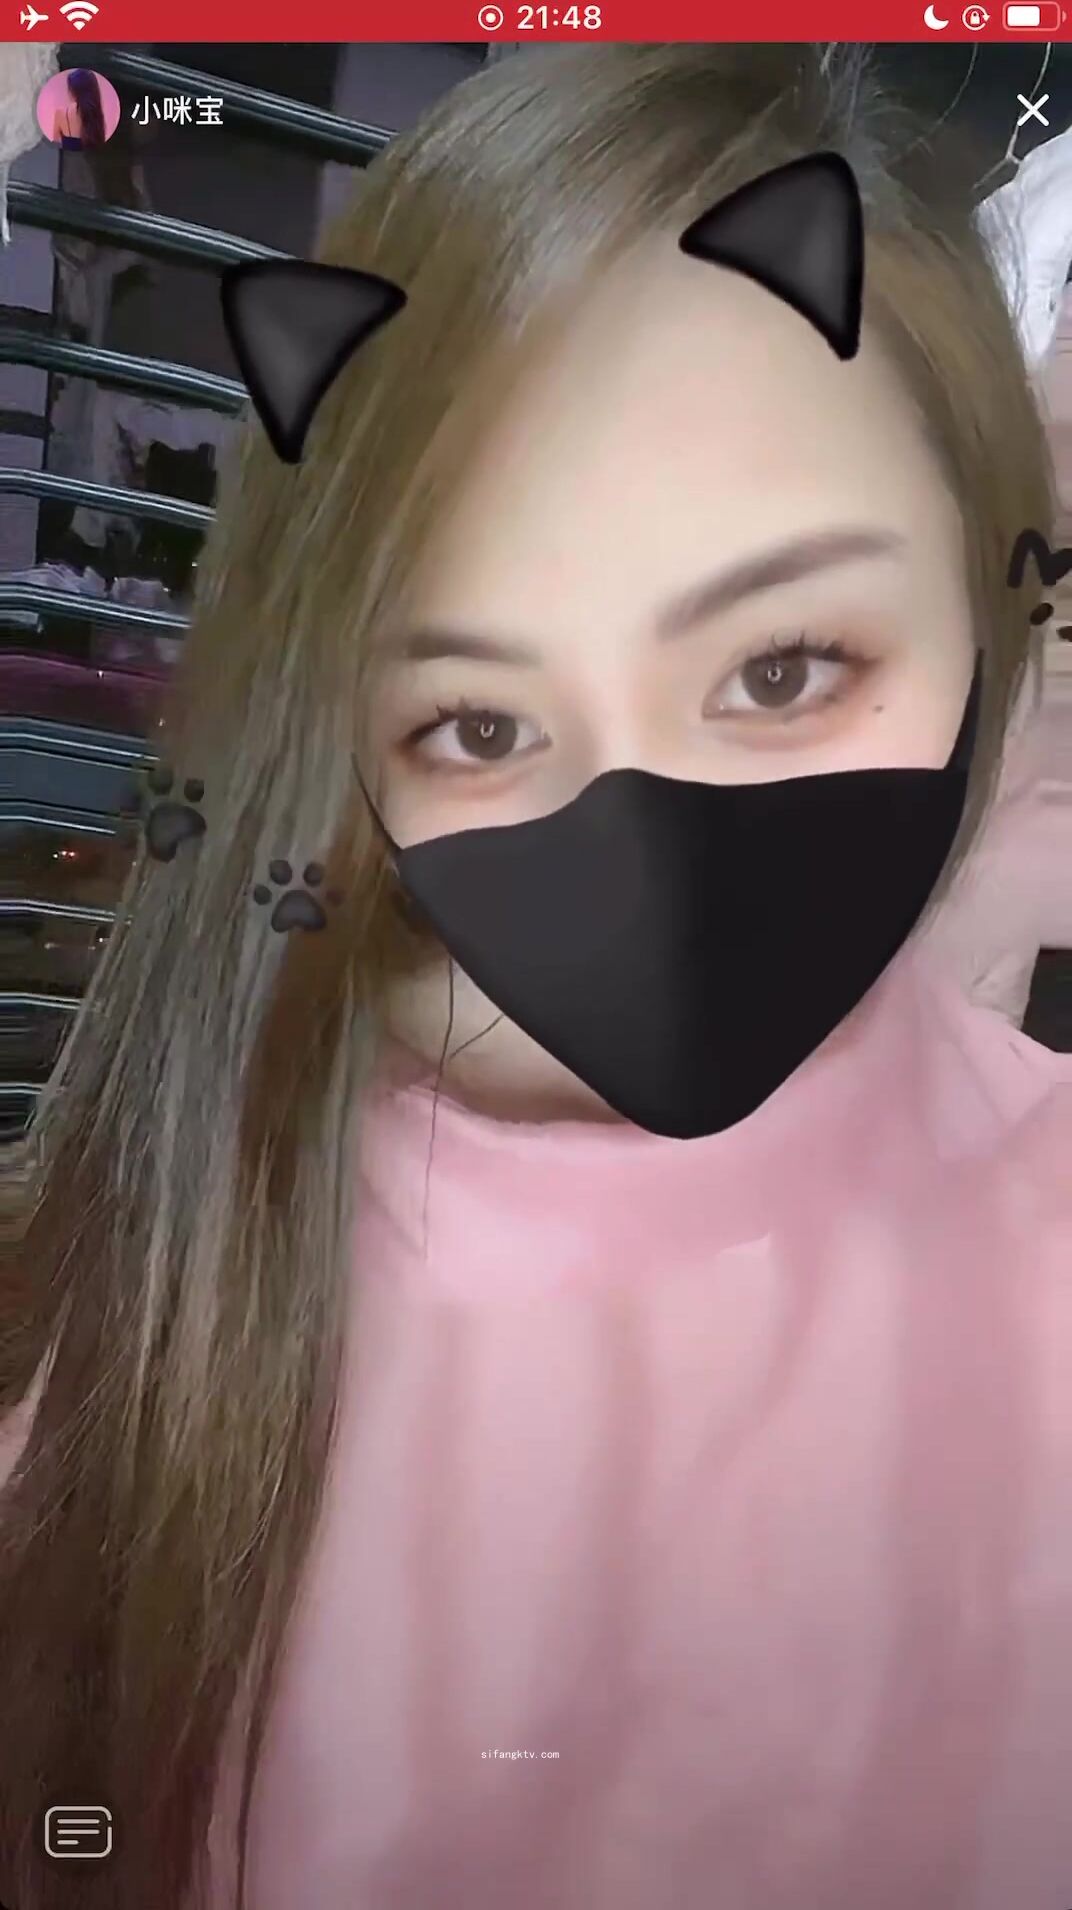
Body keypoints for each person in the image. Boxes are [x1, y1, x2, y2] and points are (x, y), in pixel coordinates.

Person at [0, 43, 1069, 1910]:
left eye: (782, 670)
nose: (648, 847)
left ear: (985, 616)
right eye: (482, 723)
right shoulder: (177, 1265)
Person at [50, 67, 108, 151]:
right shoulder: (96, 113)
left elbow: (56, 142)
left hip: (70, 156)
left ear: (73, 90)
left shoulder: (61, 113)